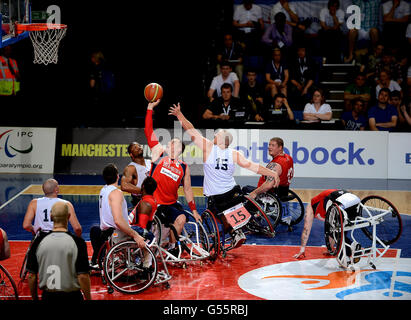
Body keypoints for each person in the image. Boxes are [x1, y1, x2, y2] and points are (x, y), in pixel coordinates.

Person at [169, 103, 280, 249]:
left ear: (222, 140)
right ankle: (238, 229)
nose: (215, 135)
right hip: (233, 193)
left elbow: (191, 130)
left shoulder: (208, 147)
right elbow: (254, 167)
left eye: (218, 134)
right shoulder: (234, 153)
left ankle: (234, 230)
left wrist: (179, 115)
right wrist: (272, 173)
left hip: (216, 197)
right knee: (233, 202)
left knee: (218, 211)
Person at [144, 100, 201, 254]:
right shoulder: (159, 153)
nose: (169, 143)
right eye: (169, 142)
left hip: (170, 203)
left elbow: (188, 190)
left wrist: (194, 210)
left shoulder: (183, 166)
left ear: (178, 148)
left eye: (173, 142)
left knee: (181, 218)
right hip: (155, 203)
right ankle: (165, 244)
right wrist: (150, 108)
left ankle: (172, 246)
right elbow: (149, 131)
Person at [26, 201, 91, 300]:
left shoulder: (38, 241)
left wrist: (35, 299)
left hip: (48, 296)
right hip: (72, 296)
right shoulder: (78, 242)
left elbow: (31, 275)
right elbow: (83, 276)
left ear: (51, 217)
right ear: (69, 216)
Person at [89, 164, 146, 268]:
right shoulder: (116, 193)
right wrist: (135, 235)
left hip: (106, 232)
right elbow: (118, 221)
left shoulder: (103, 190)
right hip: (117, 234)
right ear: (117, 176)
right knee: (148, 235)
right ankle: (146, 265)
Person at [293, 189, 361, 264]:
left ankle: (352, 246)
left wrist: (302, 250)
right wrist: (330, 249)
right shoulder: (324, 206)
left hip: (339, 201)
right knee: (340, 229)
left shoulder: (311, 207)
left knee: (336, 232)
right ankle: (349, 252)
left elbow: (306, 229)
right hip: (353, 201)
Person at [120, 142, 151, 207]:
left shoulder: (150, 162)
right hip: (140, 201)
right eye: (135, 147)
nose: (139, 148)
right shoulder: (130, 168)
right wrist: (144, 191)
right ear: (131, 154)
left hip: (154, 198)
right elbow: (124, 186)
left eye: (139, 146)